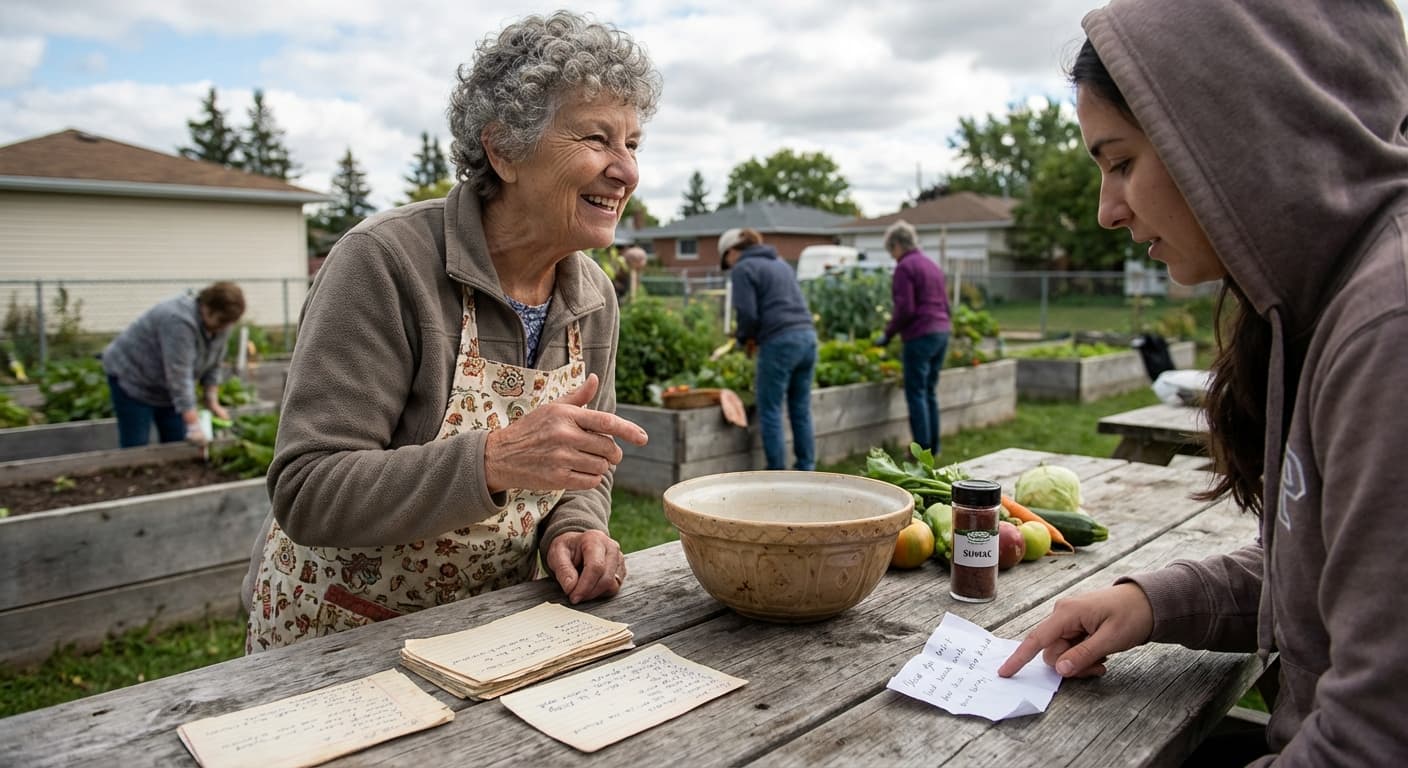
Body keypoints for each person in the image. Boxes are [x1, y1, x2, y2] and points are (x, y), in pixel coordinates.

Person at [999, 1, 1408, 764]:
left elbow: (1377, 737)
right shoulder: (1319, 303)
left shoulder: (1387, 330)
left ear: (1231, 131)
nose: (1107, 212)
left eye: (1121, 162)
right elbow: (1328, 576)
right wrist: (1152, 602)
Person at [242, 11, 658, 652]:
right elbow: (309, 491)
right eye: (597, 139)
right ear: (504, 150)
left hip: (490, 632)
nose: (626, 171)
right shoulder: (384, 261)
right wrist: (494, 460)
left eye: (632, 144)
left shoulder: (593, 295)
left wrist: (573, 527)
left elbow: (587, 465)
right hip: (342, 634)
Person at [100, 281, 244, 448]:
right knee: (136, 443)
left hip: (166, 389)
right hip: (133, 378)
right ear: (207, 307)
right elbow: (179, 375)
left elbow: (214, 364)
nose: (223, 328)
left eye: (228, 324)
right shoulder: (178, 321)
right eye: (221, 322)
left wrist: (212, 402)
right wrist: (193, 425)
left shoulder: (221, 326)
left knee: (177, 441)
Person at [719, 227, 817, 471]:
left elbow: (748, 314)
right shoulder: (780, 263)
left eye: (726, 261)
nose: (729, 267)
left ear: (731, 251)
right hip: (807, 337)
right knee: (800, 409)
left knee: (771, 410)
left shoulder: (744, 267)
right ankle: (806, 468)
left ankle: (777, 473)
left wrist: (743, 339)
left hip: (780, 342)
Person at [876, 220, 951, 454]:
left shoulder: (905, 267)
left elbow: (906, 308)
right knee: (929, 391)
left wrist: (887, 334)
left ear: (898, 244)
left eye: (892, 250)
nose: (893, 256)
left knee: (916, 391)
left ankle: (920, 449)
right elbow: (946, 304)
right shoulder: (931, 265)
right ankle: (934, 447)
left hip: (921, 334)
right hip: (941, 331)